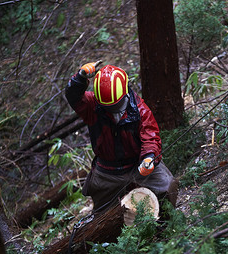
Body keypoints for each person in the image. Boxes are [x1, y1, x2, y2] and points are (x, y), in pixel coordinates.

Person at [65, 61, 178, 215]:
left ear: (125, 93)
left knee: (166, 185)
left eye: (114, 105)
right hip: (107, 170)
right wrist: (80, 78)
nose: (110, 110)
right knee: (102, 214)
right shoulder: (92, 106)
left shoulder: (140, 111)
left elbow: (150, 137)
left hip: (136, 165)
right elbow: (73, 96)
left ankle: (165, 224)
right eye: (107, 106)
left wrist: (148, 158)